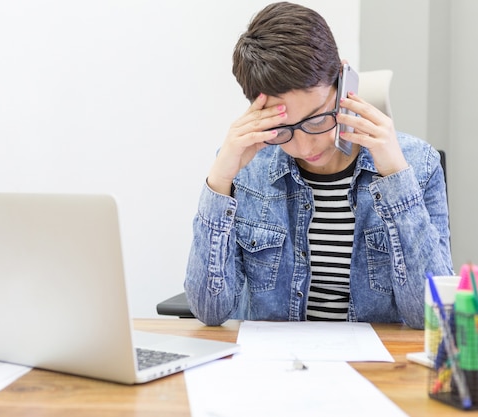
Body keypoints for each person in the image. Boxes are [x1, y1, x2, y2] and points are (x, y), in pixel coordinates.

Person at [184, 2, 452, 329]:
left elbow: (433, 318)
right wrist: (220, 180)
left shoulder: (418, 164)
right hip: (277, 370)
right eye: (282, 129)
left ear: (345, 82)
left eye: (316, 120)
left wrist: (396, 179)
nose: (305, 146)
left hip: (379, 372)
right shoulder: (247, 170)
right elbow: (209, 311)